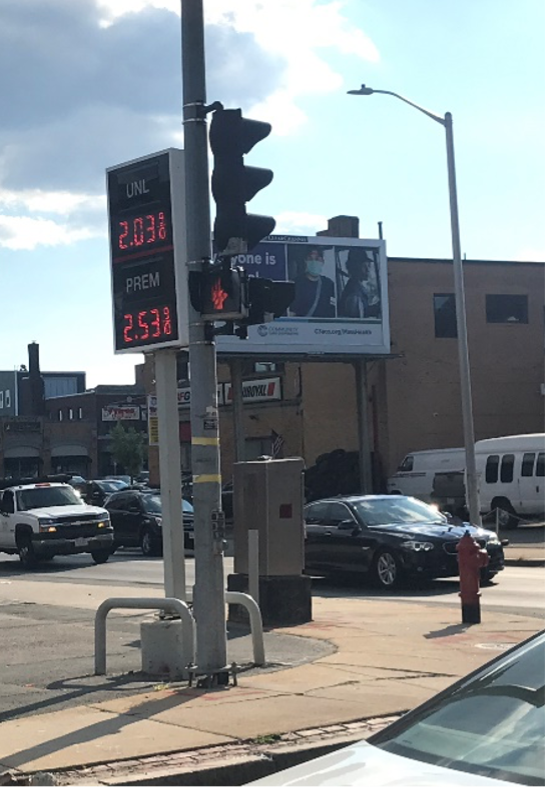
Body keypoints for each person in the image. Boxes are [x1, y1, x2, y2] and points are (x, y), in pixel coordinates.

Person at [290, 248, 336, 319]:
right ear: (305, 261)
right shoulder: (295, 283)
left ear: (322, 262)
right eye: (310, 259)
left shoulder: (329, 284)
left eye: (317, 259)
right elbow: (291, 312)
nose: (314, 262)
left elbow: (333, 310)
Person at [338, 247, 381, 320]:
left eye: (368, 266)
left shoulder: (356, 286)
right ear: (355, 267)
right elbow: (356, 317)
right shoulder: (354, 291)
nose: (368, 270)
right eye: (364, 266)